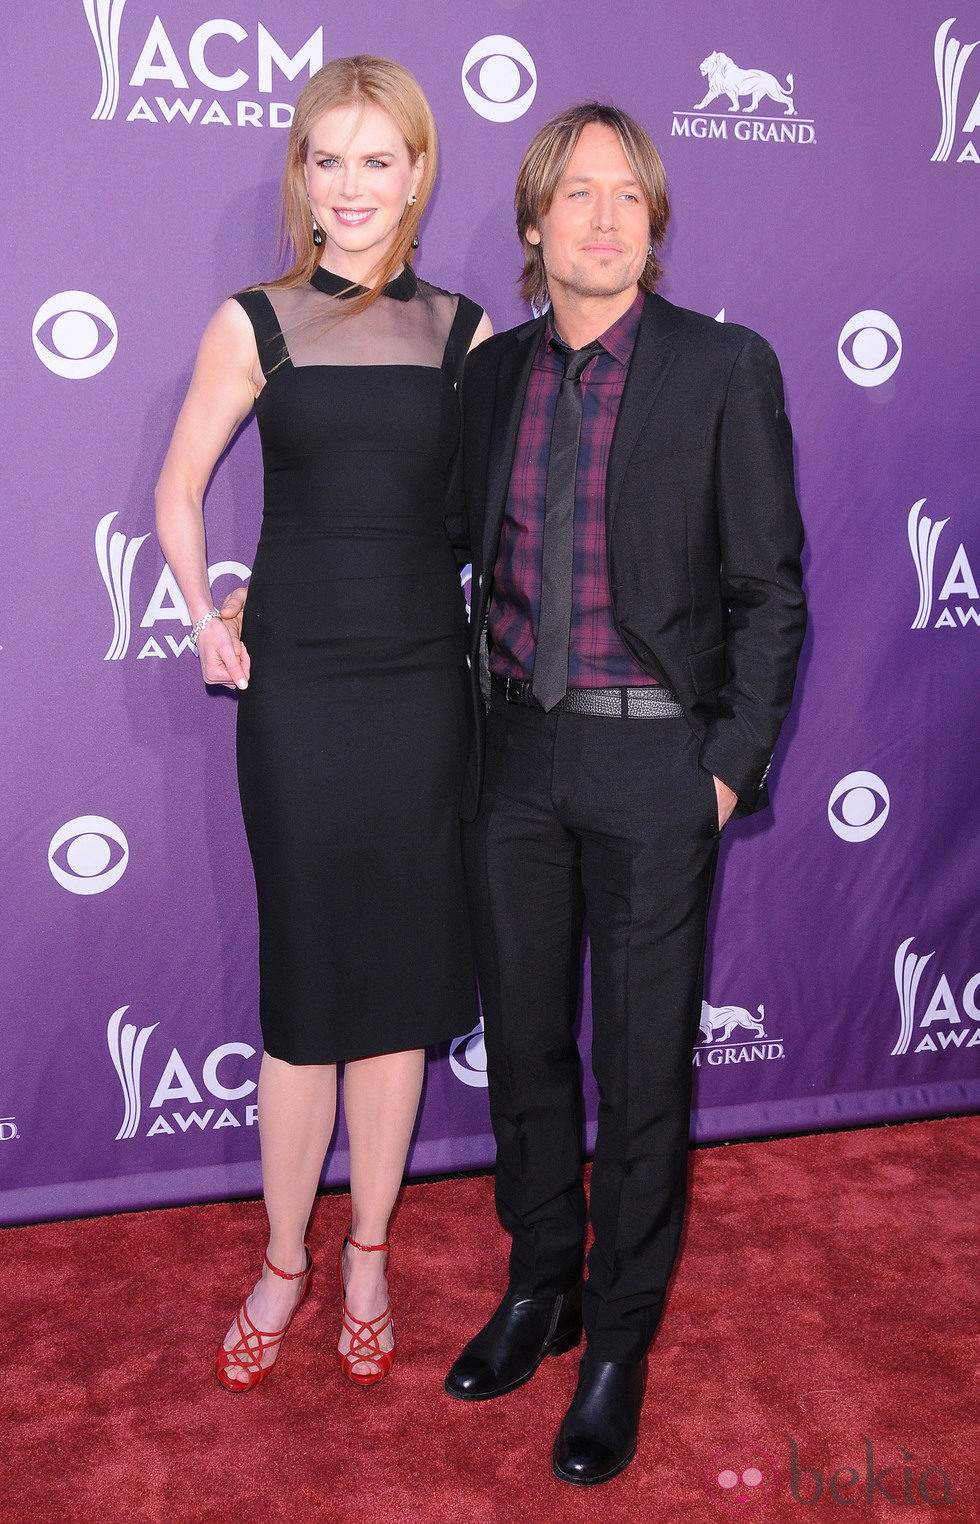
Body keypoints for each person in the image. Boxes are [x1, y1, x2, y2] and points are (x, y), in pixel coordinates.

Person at [443, 104, 806, 1484]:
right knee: (526, 1047)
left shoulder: (724, 367)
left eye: (629, 196)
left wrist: (721, 773)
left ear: (654, 223)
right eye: (576, 195)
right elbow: (433, 552)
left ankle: (619, 1346)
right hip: (515, 761)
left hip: (658, 762)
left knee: (644, 1072)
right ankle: (545, 1284)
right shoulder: (488, 380)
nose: (605, 218)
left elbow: (773, 594)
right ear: (535, 225)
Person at [155, 55, 491, 1393]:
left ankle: (370, 1254)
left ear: (417, 175)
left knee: (401, 994)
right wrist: (201, 612)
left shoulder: (465, 335)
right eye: (328, 160)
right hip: (295, 685)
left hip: (424, 686)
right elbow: (180, 489)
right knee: (305, 991)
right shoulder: (254, 321)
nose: (352, 188)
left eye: (379, 160)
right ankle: (285, 1257)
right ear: (302, 175)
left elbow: (495, 521)